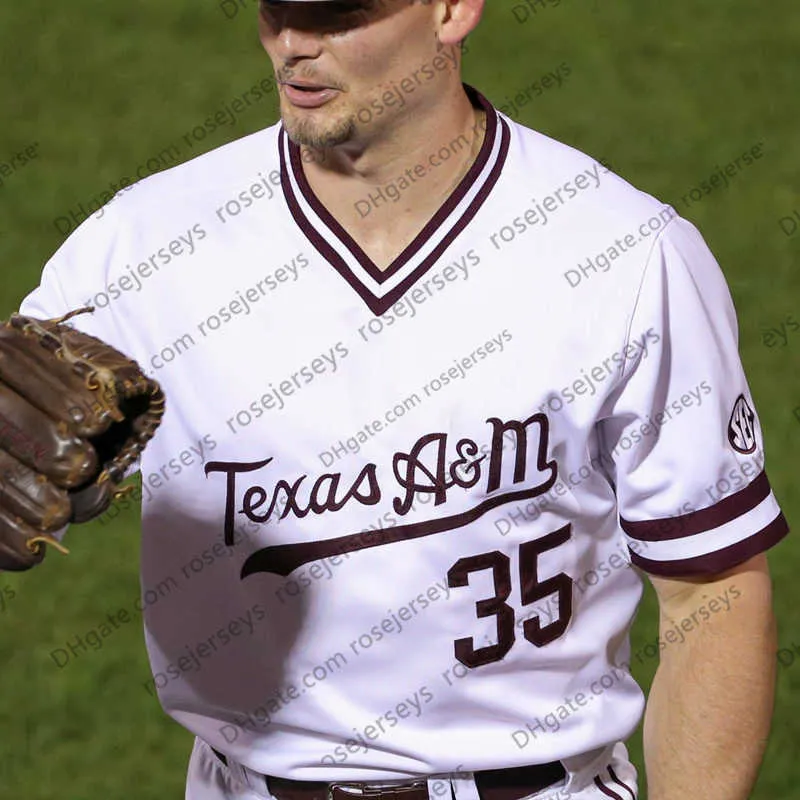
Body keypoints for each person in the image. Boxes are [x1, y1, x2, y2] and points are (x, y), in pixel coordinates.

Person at [13, 1, 788, 798]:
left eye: (337, 15)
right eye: (277, 12)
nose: (294, 45)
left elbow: (714, 589)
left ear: (452, 11)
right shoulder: (142, 247)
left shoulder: (623, 255)